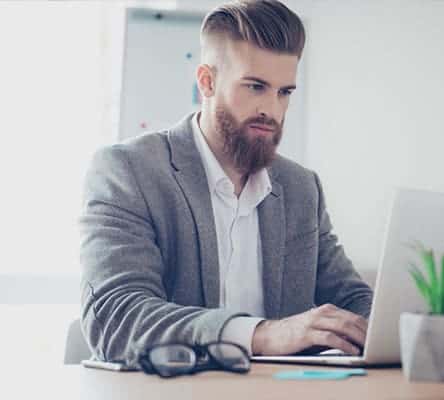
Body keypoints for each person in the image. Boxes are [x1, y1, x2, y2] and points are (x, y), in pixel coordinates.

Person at [80, 0, 372, 365]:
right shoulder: (128, 171)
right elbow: (117, 319)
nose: (272, 110)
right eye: (255, 86)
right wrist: (262, 334)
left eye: (285, 92)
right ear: (207, 81)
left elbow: (354, 300)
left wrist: (413, 328)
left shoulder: (300, 188)